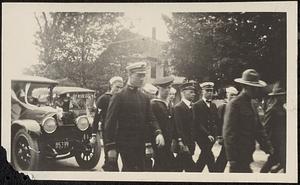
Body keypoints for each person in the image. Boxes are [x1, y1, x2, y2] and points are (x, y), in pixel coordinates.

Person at [104, 62, 165, 171]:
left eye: (143, 76)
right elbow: (110, 123)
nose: (142, 79)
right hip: (125, 143)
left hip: (141, 143)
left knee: (140, 170)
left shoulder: (144, 97)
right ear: (130, 75)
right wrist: (111, 147)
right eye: (138, 76)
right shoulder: (119, 96)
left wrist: (158, 132)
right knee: (131, 170)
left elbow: (151, 118)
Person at [223, 69, 274, 173]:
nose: (256, 91)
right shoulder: (234, 104)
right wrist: (232, 159)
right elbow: (228, 134)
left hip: (247, 155)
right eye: (253, 88)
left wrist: (269, 149)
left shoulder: (253, 104)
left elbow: (259, 130)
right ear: (245, 87)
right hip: (237, 158)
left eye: (257, 88)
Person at [90, 76, 123, 171]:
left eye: (121, 87)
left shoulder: (122, 99)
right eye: (117, 87)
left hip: (121, 133)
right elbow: (96, 119)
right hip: (108, 133)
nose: (119, 89)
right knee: (110, 160)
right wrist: (93, 135)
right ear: (111, 85)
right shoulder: (104, 99)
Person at [151, 76, 176, 171]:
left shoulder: (169, 104)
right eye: (165, 88)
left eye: (169, 87)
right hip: (158, 141)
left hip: (168, 141)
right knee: (161, 165)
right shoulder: (154, 104)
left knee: (165, 166)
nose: (168, 90)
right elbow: (151, 122)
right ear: (159, 88)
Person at [260, 81, 286, 173]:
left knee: (278, 161)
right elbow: (265, 127)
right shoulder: (272, 110)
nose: (284, 97)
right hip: (276, 143)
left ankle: (274, 171)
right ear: (277, 97)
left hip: (283, 142)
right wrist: (267, 144)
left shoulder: (284, 108)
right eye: (282, 95)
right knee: (276, 160)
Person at [192, 82, 219, 172]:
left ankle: (195, 173)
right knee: (208, 155)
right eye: (207, 91)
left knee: (205, 156)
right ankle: (214, 174)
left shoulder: (214, 105)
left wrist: (216, 134)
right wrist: (207, 134)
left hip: (212, 136)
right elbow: (197, 122)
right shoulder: (196, 105)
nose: (210, 93)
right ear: (202, 91)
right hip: (201, 136)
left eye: (211, 91)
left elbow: (216, 120)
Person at [173, 82, 197, 172]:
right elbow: (178, 127)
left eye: (194, 92)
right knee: (191, 169)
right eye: (190, 92)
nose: (193, 94)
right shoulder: (178, 107)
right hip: (183, 145)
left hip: (190, 143)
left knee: (178, 168)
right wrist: (182, 142)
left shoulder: (193, 107)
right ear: (183, 93)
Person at [214, 86, 239, 172]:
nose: (233, 97)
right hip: (225, 136)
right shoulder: (223, 107)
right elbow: (218, 123)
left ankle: (217, 171)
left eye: (235, 95)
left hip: (235, 136)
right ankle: (217, 172)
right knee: (224, 156)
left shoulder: (236, 107)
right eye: (231, 95)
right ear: (227, 95)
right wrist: (219, 136)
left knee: (228, 156)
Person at [141, 82, 158, 171]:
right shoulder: (147, 104)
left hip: (150, 138)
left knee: (147, 161)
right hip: (146, 139)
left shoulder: (150, 105)